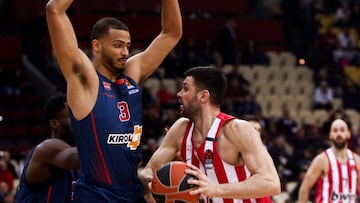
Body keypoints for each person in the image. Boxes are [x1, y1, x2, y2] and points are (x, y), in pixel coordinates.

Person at [45, 0, 182, 202]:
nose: (125, 52)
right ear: (97, 46)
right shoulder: (85, 81)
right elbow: (54, 9)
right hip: (97, 196)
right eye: (118, 46)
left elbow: (171, 33)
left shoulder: (131, 75)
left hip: (132, 192)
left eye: (127, 46)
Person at [139, 67, 280, 202]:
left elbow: (271, 183)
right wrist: (151, 181)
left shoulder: (237, 129)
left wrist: (215, 189)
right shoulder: (180, 129)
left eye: (185, 88)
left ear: (203, 96)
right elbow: (150, 169)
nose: (179, 94)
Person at [14, 94, 79, 203]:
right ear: (55, 124)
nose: (79, 122)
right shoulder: (47, 148)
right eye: (73, 117)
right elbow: (85, 157)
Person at [297, 118, 360, 203]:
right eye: (335, 130)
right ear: (330, 135)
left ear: (348, 134)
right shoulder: (322, 160)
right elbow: (305, 187)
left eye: (342, 130)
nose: (339, 134)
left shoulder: (357, 160)